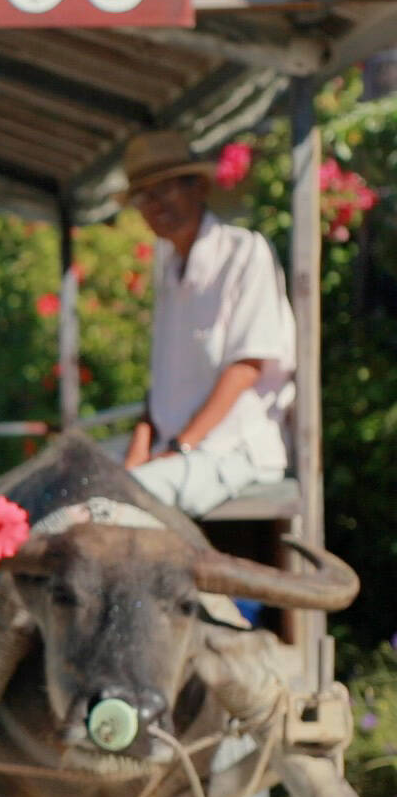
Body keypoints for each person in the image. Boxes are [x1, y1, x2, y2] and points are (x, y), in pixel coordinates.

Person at [118, 130, 296, 516]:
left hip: (232, 451)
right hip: (175, 449)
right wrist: (139, 447)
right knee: (72, 484)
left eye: (166, 189)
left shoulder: (244, 252)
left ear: (198, 186)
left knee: (116, 508)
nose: (156, 205)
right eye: (144, 195)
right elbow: (161, 385)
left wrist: (180, 447)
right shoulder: (166, 269)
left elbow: (247, 366)